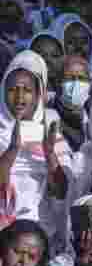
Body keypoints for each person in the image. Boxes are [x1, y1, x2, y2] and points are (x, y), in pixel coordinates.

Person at [0, 51, 72, 234]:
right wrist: (12, 151)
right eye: (12, 89)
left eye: (27, 90)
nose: (19, 96)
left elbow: (62, 191)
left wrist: (49, 155)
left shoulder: (49, 126)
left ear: (39, 94)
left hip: (41, 232)